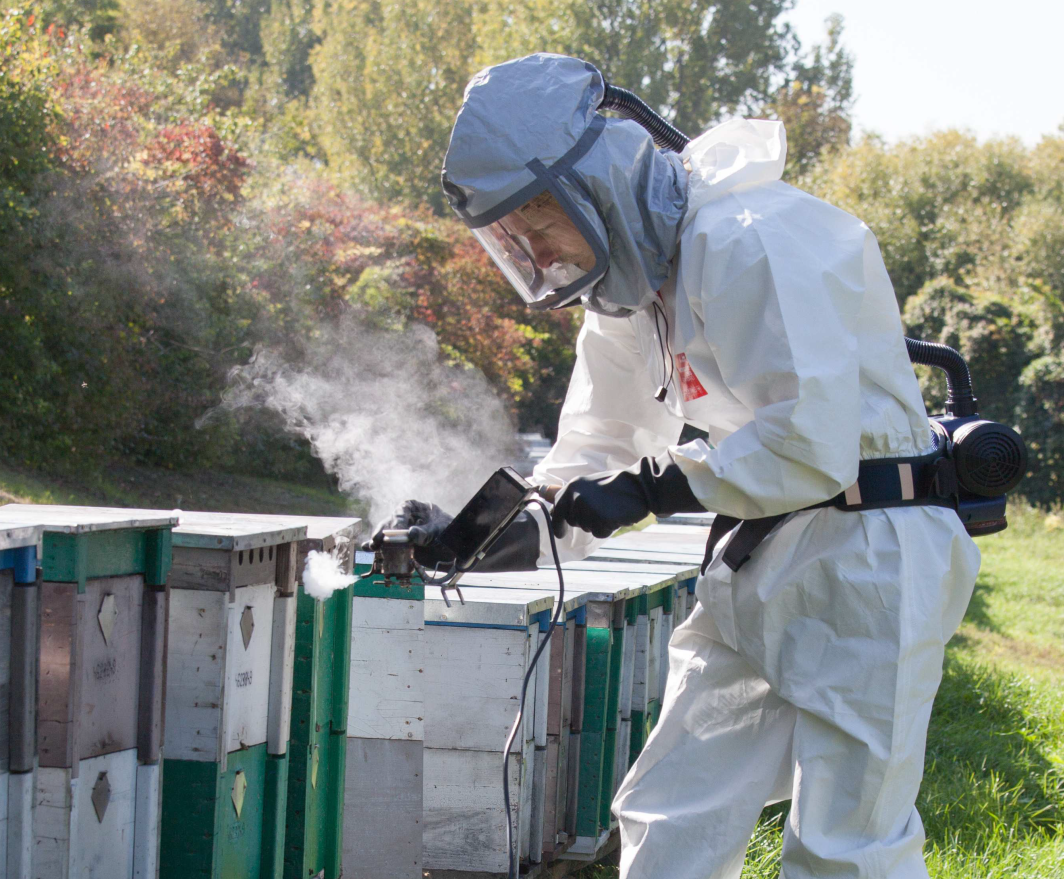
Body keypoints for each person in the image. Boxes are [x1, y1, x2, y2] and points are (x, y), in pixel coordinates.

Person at [369, 53, 980, 879]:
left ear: (595, 184)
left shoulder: (753, 239)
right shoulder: (629, 295)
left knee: (845, 846)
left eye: (538, 222)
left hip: (870, 561)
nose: (535, 252)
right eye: (513, 239)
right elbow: (594, 451)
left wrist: (654, 486)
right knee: (670, 812)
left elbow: (810, 438)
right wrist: (487, 536)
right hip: (761, 557)